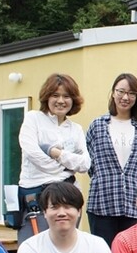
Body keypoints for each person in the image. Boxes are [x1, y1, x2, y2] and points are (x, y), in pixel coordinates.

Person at [86, 73, 137, 246]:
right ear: (113, 93)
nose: (126, 97)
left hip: (133, 204)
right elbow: (89, 164)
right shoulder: (98, 125)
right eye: (121, 91)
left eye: (132, 93)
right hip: (102, 202)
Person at [18, 73, 90, 209]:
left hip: (69, 195)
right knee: (37, 231)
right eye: (55, 95)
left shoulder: (76, 129)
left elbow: (85, 164)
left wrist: (56, 154)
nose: (61, 101)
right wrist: (65, 166)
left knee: (67, 231)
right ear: (47, 97)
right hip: (35, 194)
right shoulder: (33, 119)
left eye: (66, 96)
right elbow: (33, 154)